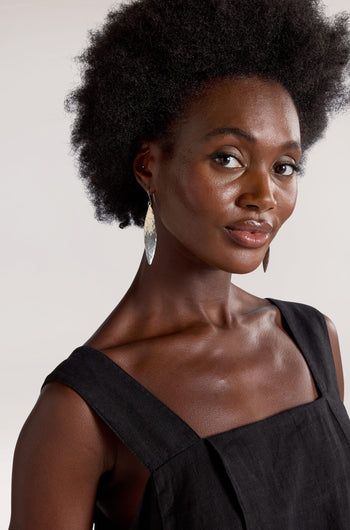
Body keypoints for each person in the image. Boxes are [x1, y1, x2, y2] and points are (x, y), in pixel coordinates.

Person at [9, 0, 350, 528]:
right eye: (228, 159)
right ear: (148, 166)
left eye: (284, 166)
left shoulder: (314, 341)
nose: (264, 194)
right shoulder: (78, 414)